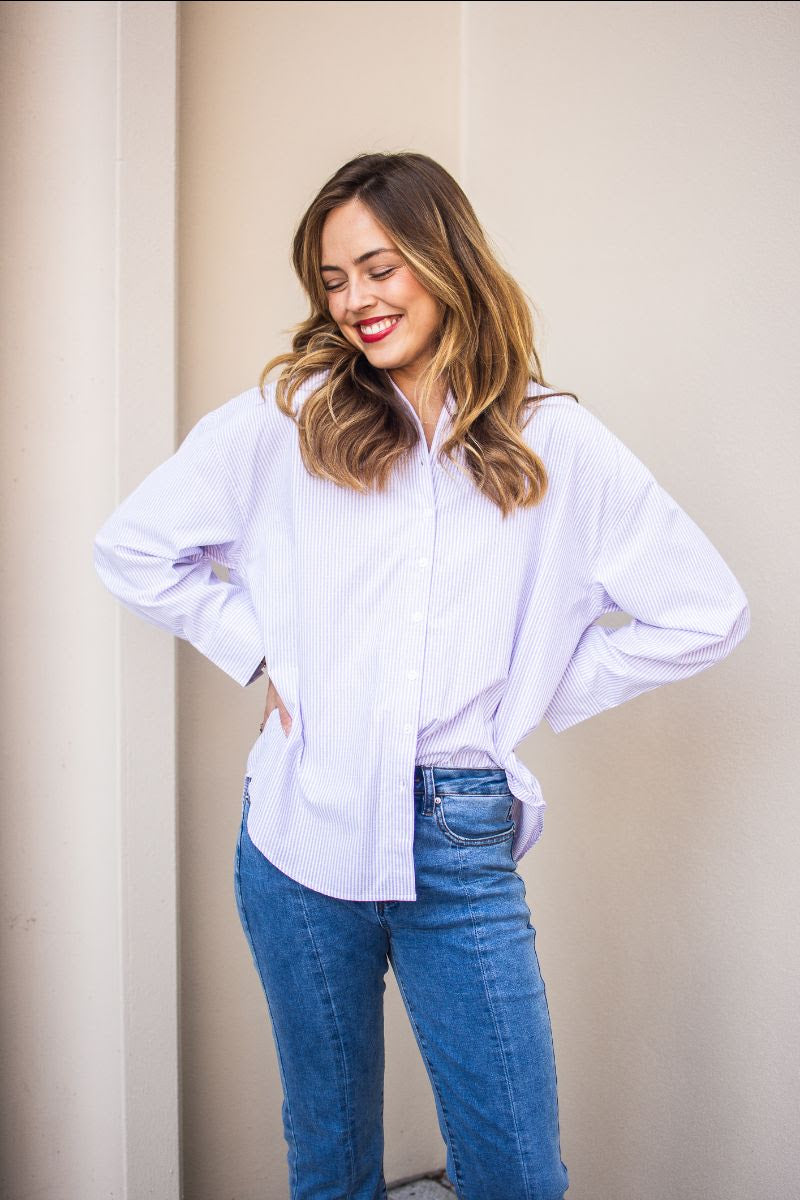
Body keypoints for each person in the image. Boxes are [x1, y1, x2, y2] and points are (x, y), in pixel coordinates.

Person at [93, 151, 750, 1200]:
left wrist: (537, 687)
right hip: (299, 831)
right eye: (333, 280)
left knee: (516, 1173)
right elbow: (132, 548)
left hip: (458, 831)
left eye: (378, 267)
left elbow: (705, 612)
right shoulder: (289, 419)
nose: (354, 299)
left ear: (445, 260)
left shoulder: (554, 441)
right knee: (330, 1159)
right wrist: (260, 653)